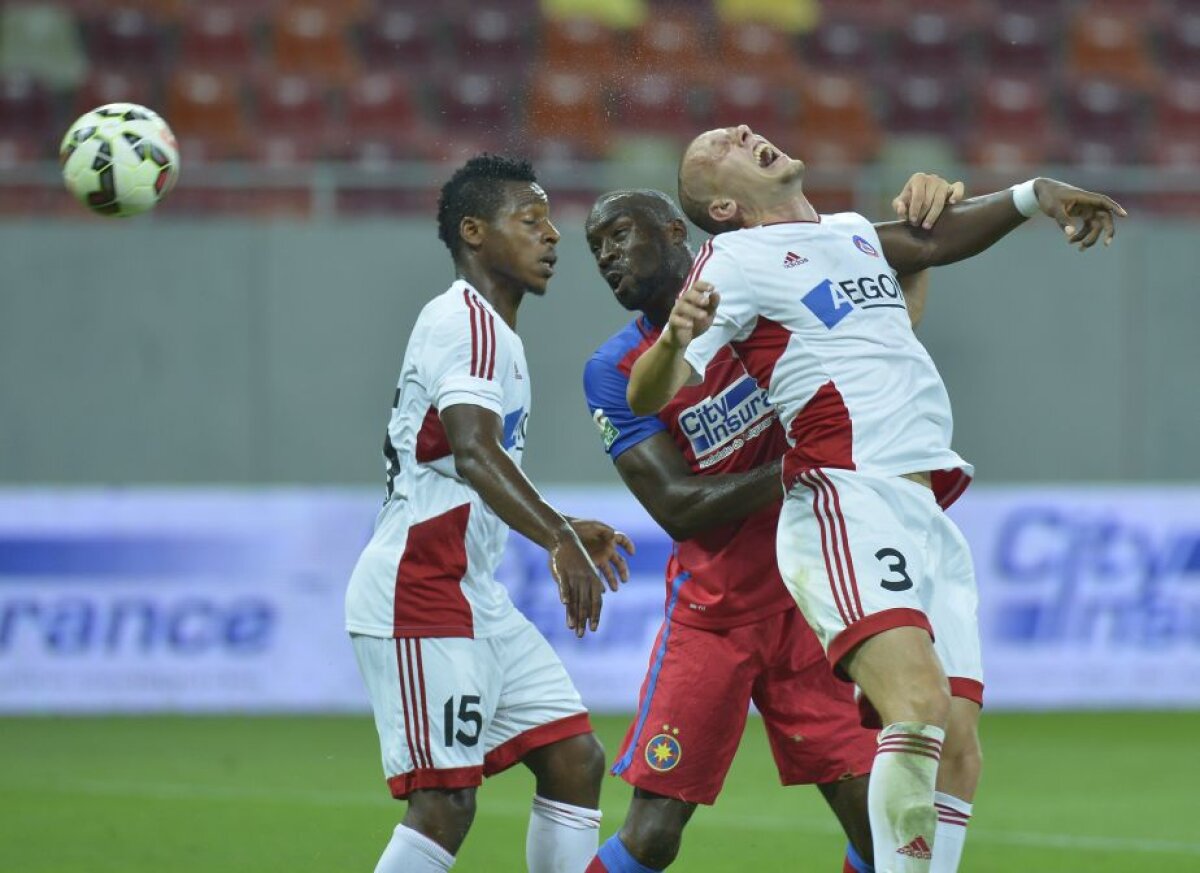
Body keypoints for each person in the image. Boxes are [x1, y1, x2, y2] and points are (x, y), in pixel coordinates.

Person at [626, 125, 1125, 873]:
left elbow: (926, 246)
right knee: (917, 706)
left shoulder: (850, 233)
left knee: (957, 748)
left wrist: (1037, 195)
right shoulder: (730, 259)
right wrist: (671, 343)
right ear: (723, 204)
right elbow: (649, 392)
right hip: (844, 494)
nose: (742, 130)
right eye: (720, 145)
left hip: (923, 504)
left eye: (739, 130)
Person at [579, 174, 960, 873]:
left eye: (619, 234)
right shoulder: (616, 369)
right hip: (714, 614)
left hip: (813, 601)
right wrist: (807, 464)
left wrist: (925, 224)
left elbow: (887, 330)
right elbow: (676, 505)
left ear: (675, 233)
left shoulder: (761, 299)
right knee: (654, 832)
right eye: (595, 248)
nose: (605, 255)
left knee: (881, 825)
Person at [345, 154, 634, 873]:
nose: (553, 236)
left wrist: (561, 520)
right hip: (421, 587)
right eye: (529, 220)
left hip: (472, 592)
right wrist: (558, 536)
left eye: (549, 221)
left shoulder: (493, 333)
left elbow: (461, 463)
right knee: (445, 804)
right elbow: (475, 451)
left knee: (574, 756)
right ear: (473, 231)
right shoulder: (465, 321)